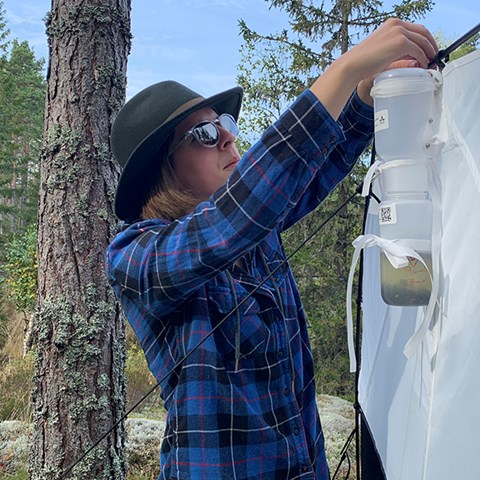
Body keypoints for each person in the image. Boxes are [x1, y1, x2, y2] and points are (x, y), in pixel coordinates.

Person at [106, 18, 437, 480]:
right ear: (164, 168)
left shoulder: (256, 227)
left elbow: (316, 165)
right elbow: (233, 217)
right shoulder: (135, 257)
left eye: (224, 123)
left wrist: (362, 95)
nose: (227, 136)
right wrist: (344, 69)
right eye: (203, 134)